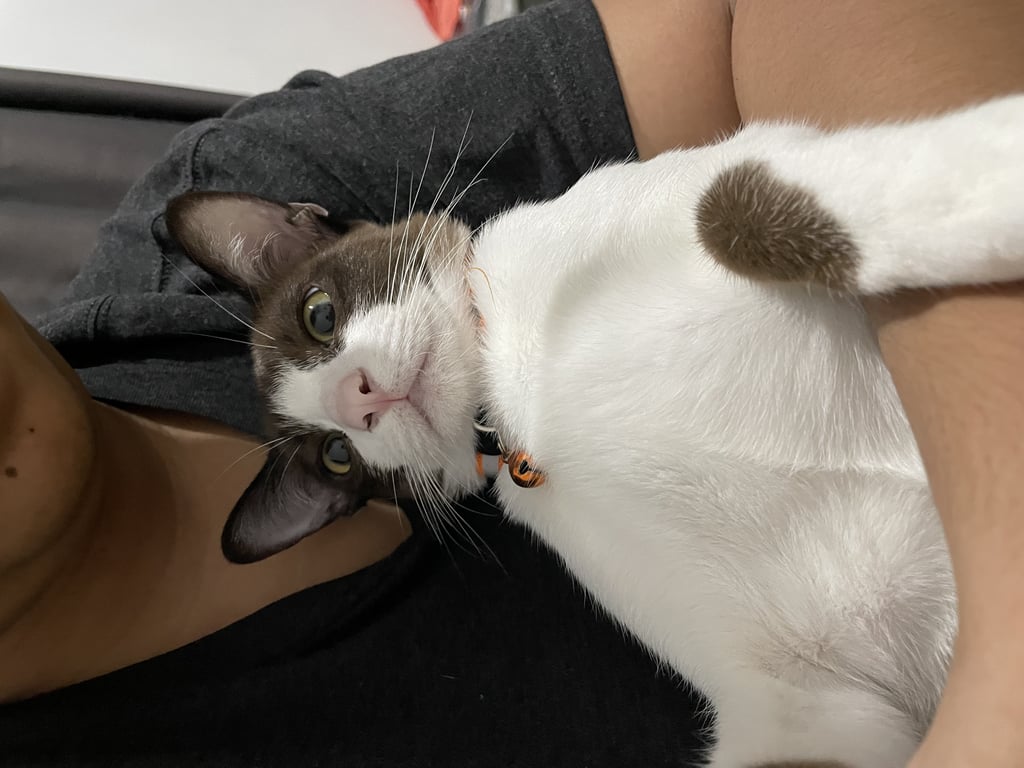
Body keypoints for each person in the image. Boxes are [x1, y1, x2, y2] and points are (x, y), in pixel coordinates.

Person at [0, 1, 1021, 766]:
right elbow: (814, 708)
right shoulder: (538, 494)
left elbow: (759, 181)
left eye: (320, 320)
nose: (358, 396)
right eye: (335, 451)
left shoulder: (536, 254)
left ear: (316, 229)